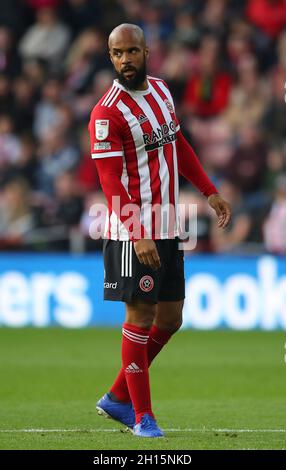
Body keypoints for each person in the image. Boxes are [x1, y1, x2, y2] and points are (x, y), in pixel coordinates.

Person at [88, 24, 231, 438]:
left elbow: (178, 144)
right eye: (118, 53)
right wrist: (136, 231)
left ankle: (117, 396)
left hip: (169, 224)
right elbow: (109, 180)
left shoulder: (163, 92)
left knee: (171, 318)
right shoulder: (107, 112)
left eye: (132, 51)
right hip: (132, 229)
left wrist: (210, 191)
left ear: (146, 51)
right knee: (141, 314)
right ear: (110, 56)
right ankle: (142, 416)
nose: (126, 60)